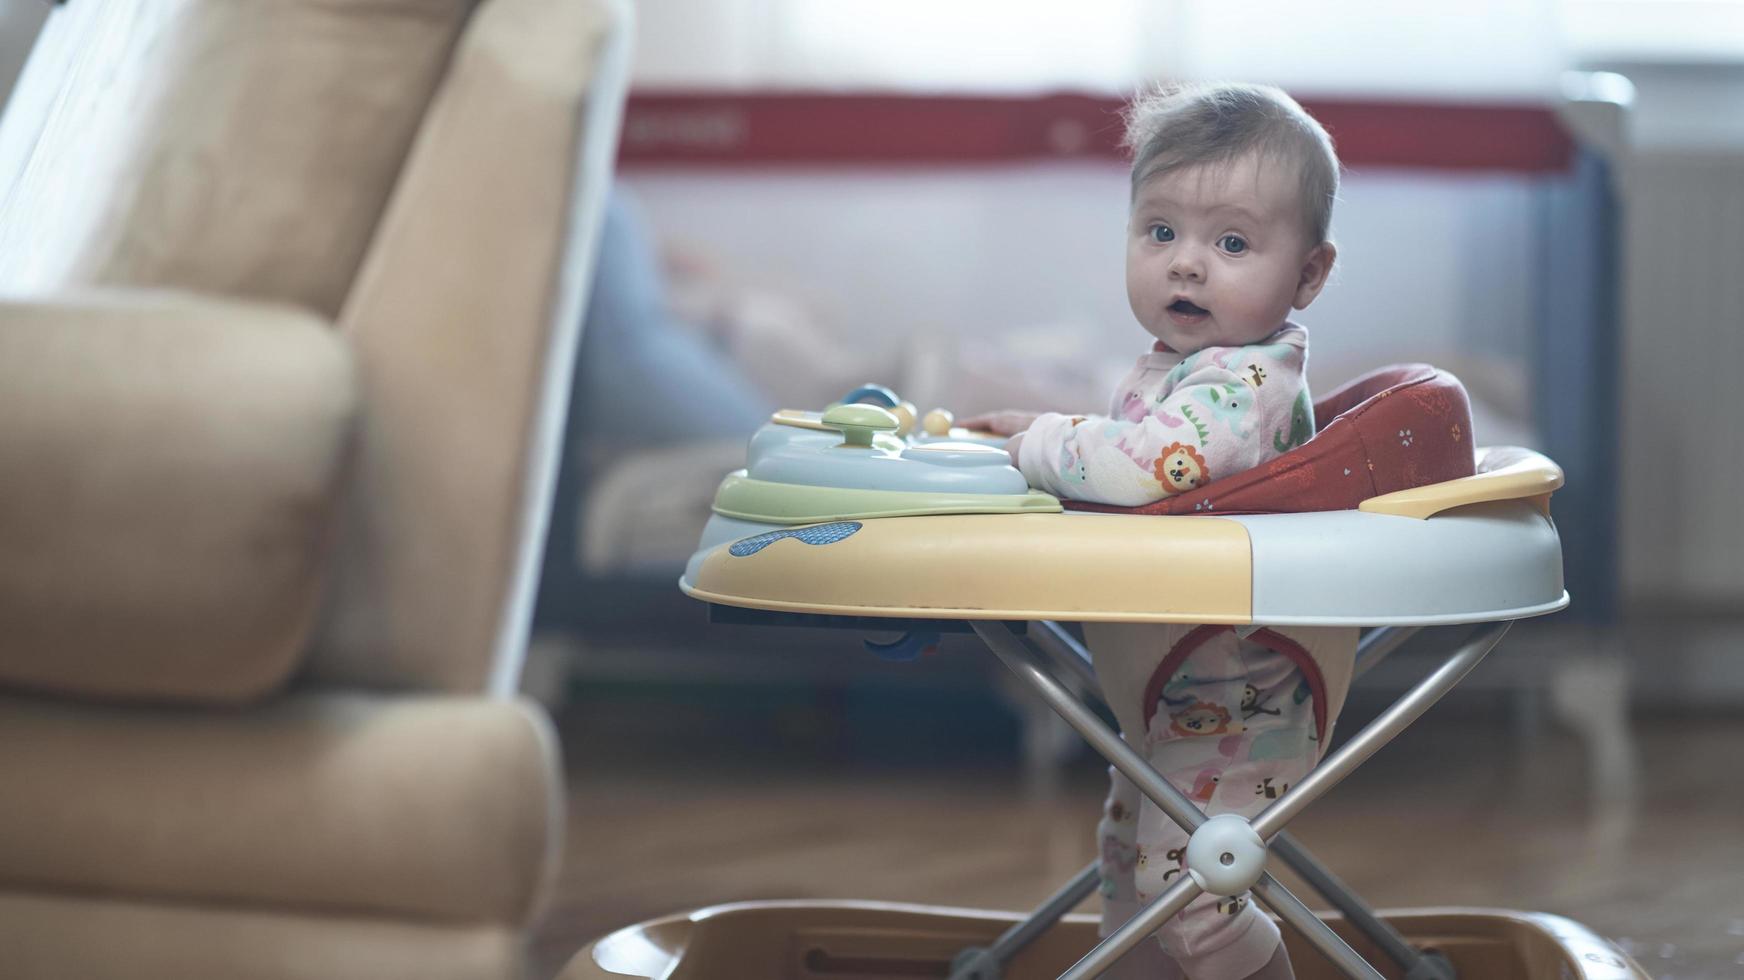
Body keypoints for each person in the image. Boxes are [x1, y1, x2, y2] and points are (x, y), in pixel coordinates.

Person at [962, 83, 1358, 980]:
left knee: (1196, 898)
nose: (1187, 264)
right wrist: (1051, 428)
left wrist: (1041, 444)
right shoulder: (1196, 368)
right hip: (1181, 678)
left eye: (1231, 243)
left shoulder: (1245, 385)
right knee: (1134, 868)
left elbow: (1149, 466)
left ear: (1308, 274)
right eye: (1161, 231)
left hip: (1247, 682)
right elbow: (1142, 451)